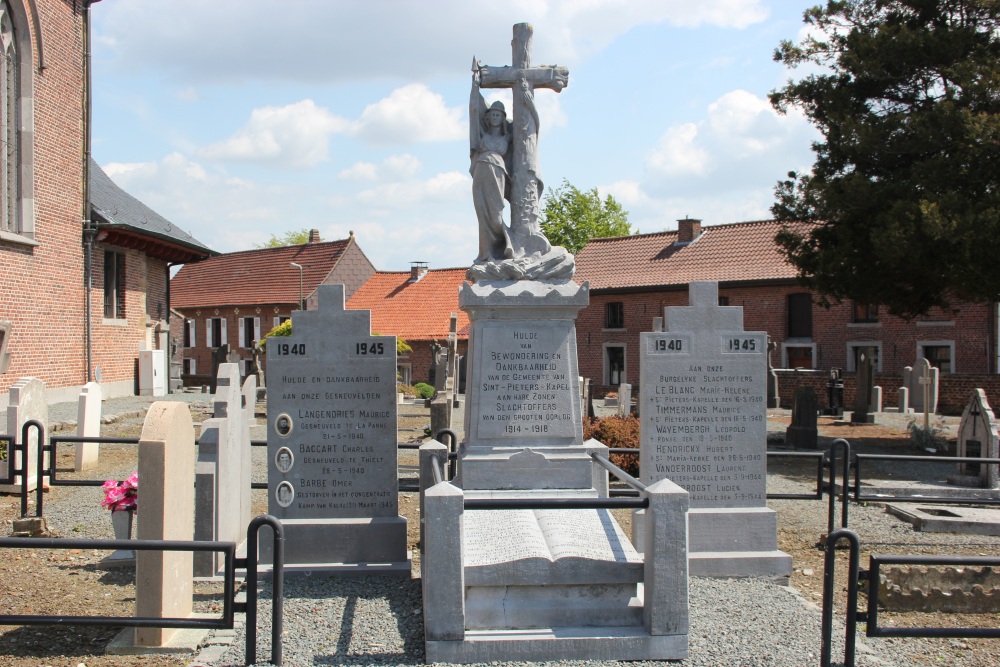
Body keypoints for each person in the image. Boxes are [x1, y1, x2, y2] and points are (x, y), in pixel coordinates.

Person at [469, 72, 515, 265]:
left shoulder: (508, 137)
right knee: (482, 214)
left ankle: (509, 244)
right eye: (493, 114)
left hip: (497, 173)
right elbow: (474, 110)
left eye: (498, 115)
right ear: (488, 118)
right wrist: (475, 86)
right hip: (481, 171)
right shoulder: (482, 135)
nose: (495, 117)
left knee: (496, 214)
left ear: (503, 118)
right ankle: (486, 253)